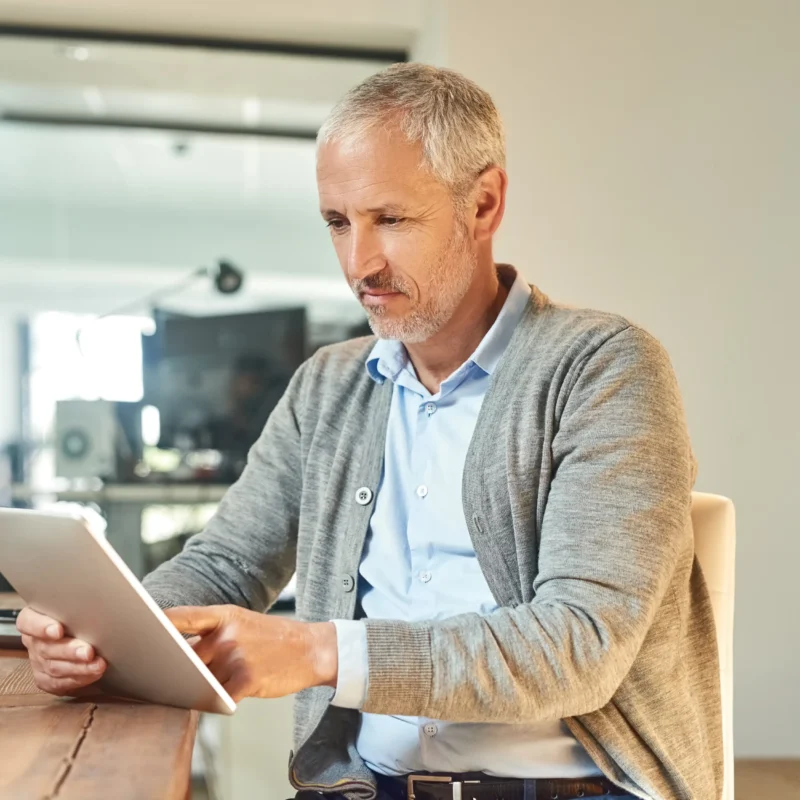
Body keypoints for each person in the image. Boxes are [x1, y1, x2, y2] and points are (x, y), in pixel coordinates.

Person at [16, 64, 722, 800]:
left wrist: (321, 651)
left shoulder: (605, 369)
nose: (360, 262)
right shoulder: (329, 384)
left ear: (483, 204)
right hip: (364, 786)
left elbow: (578, 645)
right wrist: (105, 635)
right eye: (337, 222)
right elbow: (227, 565)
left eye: (391, 219)